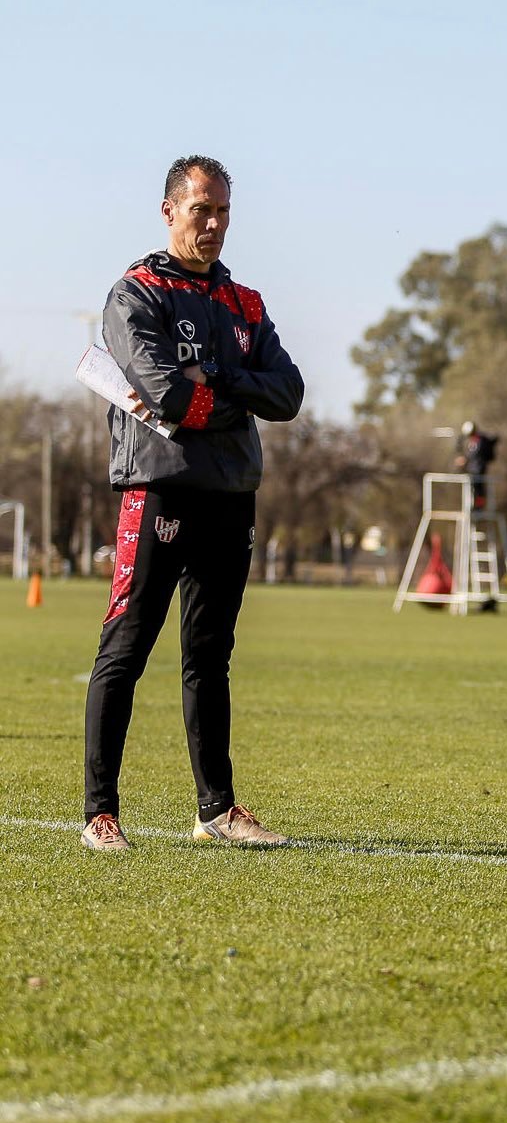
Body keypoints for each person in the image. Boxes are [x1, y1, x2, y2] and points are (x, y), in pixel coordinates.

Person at [81, 155, 304, 849]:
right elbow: (168, 395)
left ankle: (218, 809)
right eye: (201, 209)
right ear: (169, 210)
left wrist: (221, 377)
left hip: (230, 492)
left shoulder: (246, 304)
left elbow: (289, 393)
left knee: (210, 655)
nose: (212, 224)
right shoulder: (136, 294)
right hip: (159, 486)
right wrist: (234, 393)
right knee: (127, 645)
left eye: (223, 212)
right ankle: (100, 813)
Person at [453, 420, 499, 512]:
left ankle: (479, 507)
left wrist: (465, 460)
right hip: (473, 469)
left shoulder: (480, 440)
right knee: (474, 489)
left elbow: (476, 455)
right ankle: (475, 506)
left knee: (478, 490)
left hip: (478, 469)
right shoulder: (474, 440)